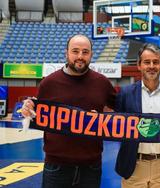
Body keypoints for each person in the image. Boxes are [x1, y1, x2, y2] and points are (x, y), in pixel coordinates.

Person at [21, 34, 116, 188]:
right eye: (75, 51)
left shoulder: (102, 83)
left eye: (85, 52)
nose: (80, 56)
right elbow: (35, 113)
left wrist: (103, 119)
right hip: (56, 166)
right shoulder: (49, 83)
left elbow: (121, 113)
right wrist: (28, 108)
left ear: (91, 54)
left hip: (91, 167)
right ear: (66, 53)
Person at [115, 43, 160, 188]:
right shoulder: (125, 94)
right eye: (147, 62)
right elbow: (117, 127)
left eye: (155, 62)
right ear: (139, 65)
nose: (151, 66)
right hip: (133, 165)